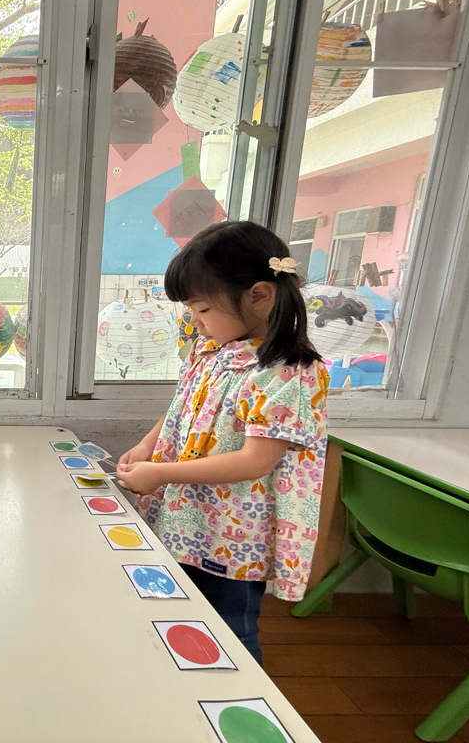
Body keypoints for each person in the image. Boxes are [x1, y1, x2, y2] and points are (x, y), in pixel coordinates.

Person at [116, 220, 328, 666]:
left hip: (232, 537)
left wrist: (160, 474)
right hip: (187, 517)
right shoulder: (213, 349)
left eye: (202, 309)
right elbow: (182, 405)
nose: (194, 321)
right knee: (180, 610)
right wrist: (147, 446)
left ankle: (239, 699)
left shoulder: (287, 371)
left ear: (259, 295)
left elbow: (255, 461)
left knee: (229, 627)